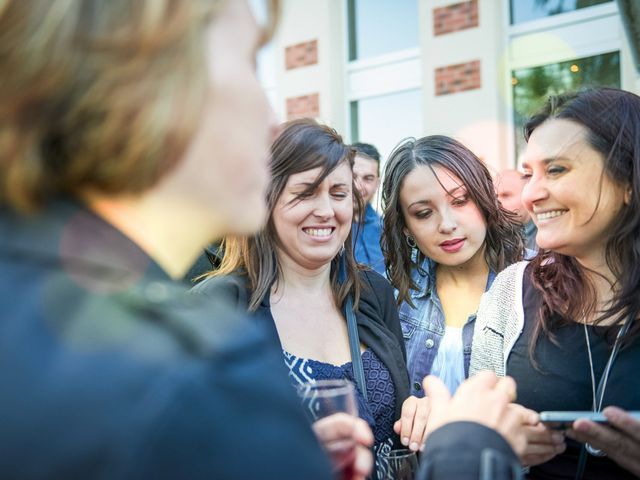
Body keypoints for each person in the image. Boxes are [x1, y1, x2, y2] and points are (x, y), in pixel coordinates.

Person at [0, 1, 337, 478]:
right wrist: (462, 448)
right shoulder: (204, 377)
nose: (270, 117)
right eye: (249, 62)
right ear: (152, 84)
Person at [195, 119, 430, 478]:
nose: (326, 210)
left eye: (338, 194)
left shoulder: (372, 293)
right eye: (306, 192)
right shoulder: (221, 305)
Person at [471, 87, 640, 479]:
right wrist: (496, 445)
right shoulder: (510, 292)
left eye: (557, 169)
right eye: (528, 174)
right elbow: (481, 448)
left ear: (628, 178)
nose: (532, 194)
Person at [381, 136, 525, 397]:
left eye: (459, 201)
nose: (446, 224)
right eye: (424, 213)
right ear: (405, 227)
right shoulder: (390, 294)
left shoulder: (538, 281)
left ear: (485, 198)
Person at [351, 142, 386, 276]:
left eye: (368, 179)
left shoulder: (387, 231)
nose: (358, 187)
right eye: (353, 176)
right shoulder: (328, 229)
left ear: (377, 183)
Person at [496, 169, 538, 251]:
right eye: (494, 196)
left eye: (506, 195)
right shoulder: (489, 237)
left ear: (528, 196)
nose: (497, 203)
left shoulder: (547, 240)